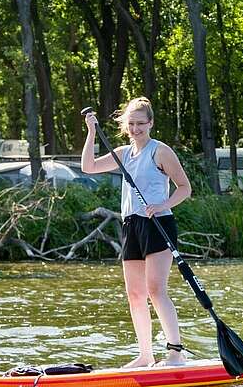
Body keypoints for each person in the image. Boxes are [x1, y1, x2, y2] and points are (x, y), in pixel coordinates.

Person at [82, 98, 192, 367]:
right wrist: (92, 133)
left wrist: (162, 204)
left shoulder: (160, 152)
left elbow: (184, 188)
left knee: (156, 290)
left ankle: (175, 353)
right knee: (135, 294)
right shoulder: (122, 153)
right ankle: (145, 355)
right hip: (131, 225)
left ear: (151, 123)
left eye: (140, 123)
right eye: (130, 124)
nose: (135, 128)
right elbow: (88, 167)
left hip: (157, 224)